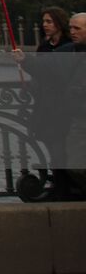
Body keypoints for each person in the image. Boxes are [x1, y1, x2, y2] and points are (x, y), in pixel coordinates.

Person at [13, 6, 76, 200]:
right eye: (44, 22)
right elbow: (41, 74)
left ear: (59, 22)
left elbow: (54, 71)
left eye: (49, 21)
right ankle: (61, 189)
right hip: (47, 108)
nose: (45, 25)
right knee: (55, 152)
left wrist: (26, 61)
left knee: (63, 153)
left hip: (66, 108)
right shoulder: (44, 46)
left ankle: (66, 191)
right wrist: (31, 84)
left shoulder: (70, 45)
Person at [61, 13, 86, 196]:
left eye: (77, 28)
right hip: (77, 117)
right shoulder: (69, 50)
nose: (72, 32)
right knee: (74, 165)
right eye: (70, 28)